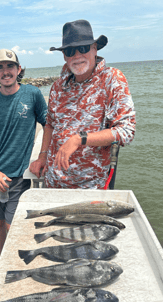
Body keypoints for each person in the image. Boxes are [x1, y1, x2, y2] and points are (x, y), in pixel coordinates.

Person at [30, 20, 136, 189]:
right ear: (64, 55)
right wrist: (42, 156)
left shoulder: (112, 80)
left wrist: (80, 139)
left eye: (84, 48)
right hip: (53, 182)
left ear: (95, 49)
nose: (77, 55)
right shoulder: (57, 86)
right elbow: (49, 124)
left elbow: (126, 131)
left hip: (91, 187)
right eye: (71, 51)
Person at [0, 49, 47, 257]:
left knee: (13, 225)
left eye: (10, 66)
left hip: (19, 176)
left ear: (19, 69)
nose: (5, 71)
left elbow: (49, 125)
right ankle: (1, 262)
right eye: (0, 67)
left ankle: (17, 263)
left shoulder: (32, 94)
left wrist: (43, 156)